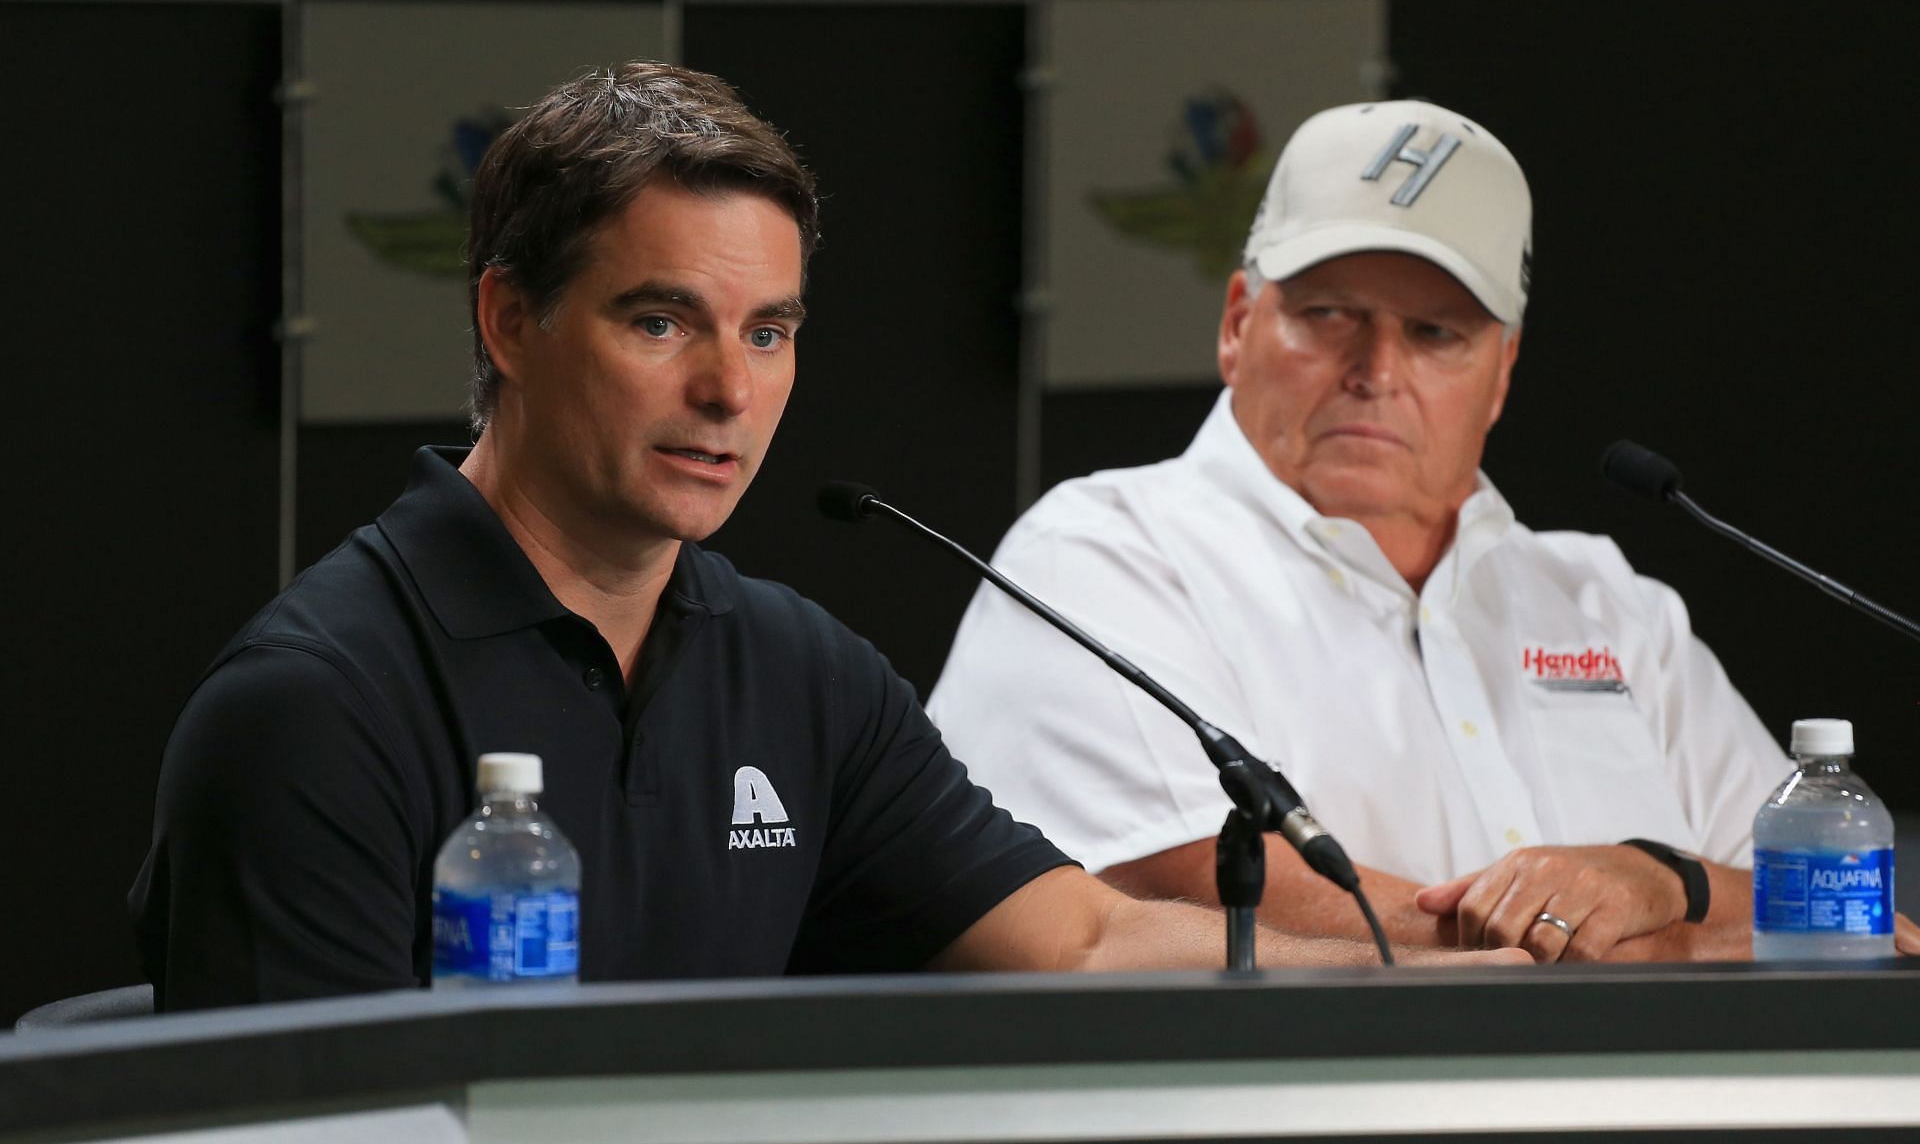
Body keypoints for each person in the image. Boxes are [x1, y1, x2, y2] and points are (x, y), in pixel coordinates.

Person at [129, 65, 1519, 1011]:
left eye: (770, 332)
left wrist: (1446, 972)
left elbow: (1082, 937)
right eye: (659, 321)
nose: (730, 392)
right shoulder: (315, 704)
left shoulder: (794, 670)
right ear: (508, 321)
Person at [930, 98, 1920, 964]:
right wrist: (1641, 927)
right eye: (1328, 314)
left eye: (1437, 332)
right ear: (1238, 321)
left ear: (1505, 370)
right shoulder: (1103, 553)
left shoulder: (1605, 602)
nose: (1377, 367)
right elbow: (1187, 898)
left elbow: (1841, 915)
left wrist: (1664, 880)